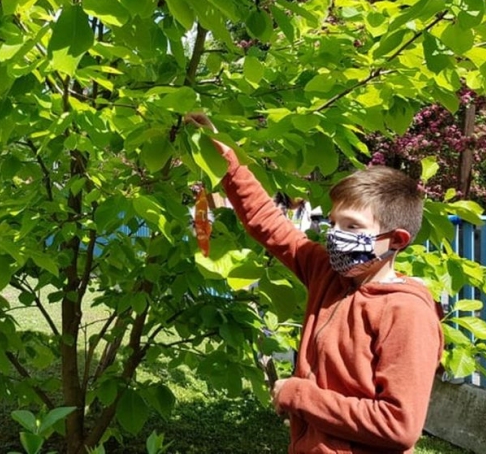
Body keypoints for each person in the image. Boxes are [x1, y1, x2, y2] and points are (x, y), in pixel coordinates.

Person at [184, 112, 443, 454]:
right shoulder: (326, 272)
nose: (336, 236)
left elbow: (398, 425)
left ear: (396, 240)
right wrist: (223, 157)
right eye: (334, 223)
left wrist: (300, 395)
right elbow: (268, 223)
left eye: (352, 227)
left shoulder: (406, 312)